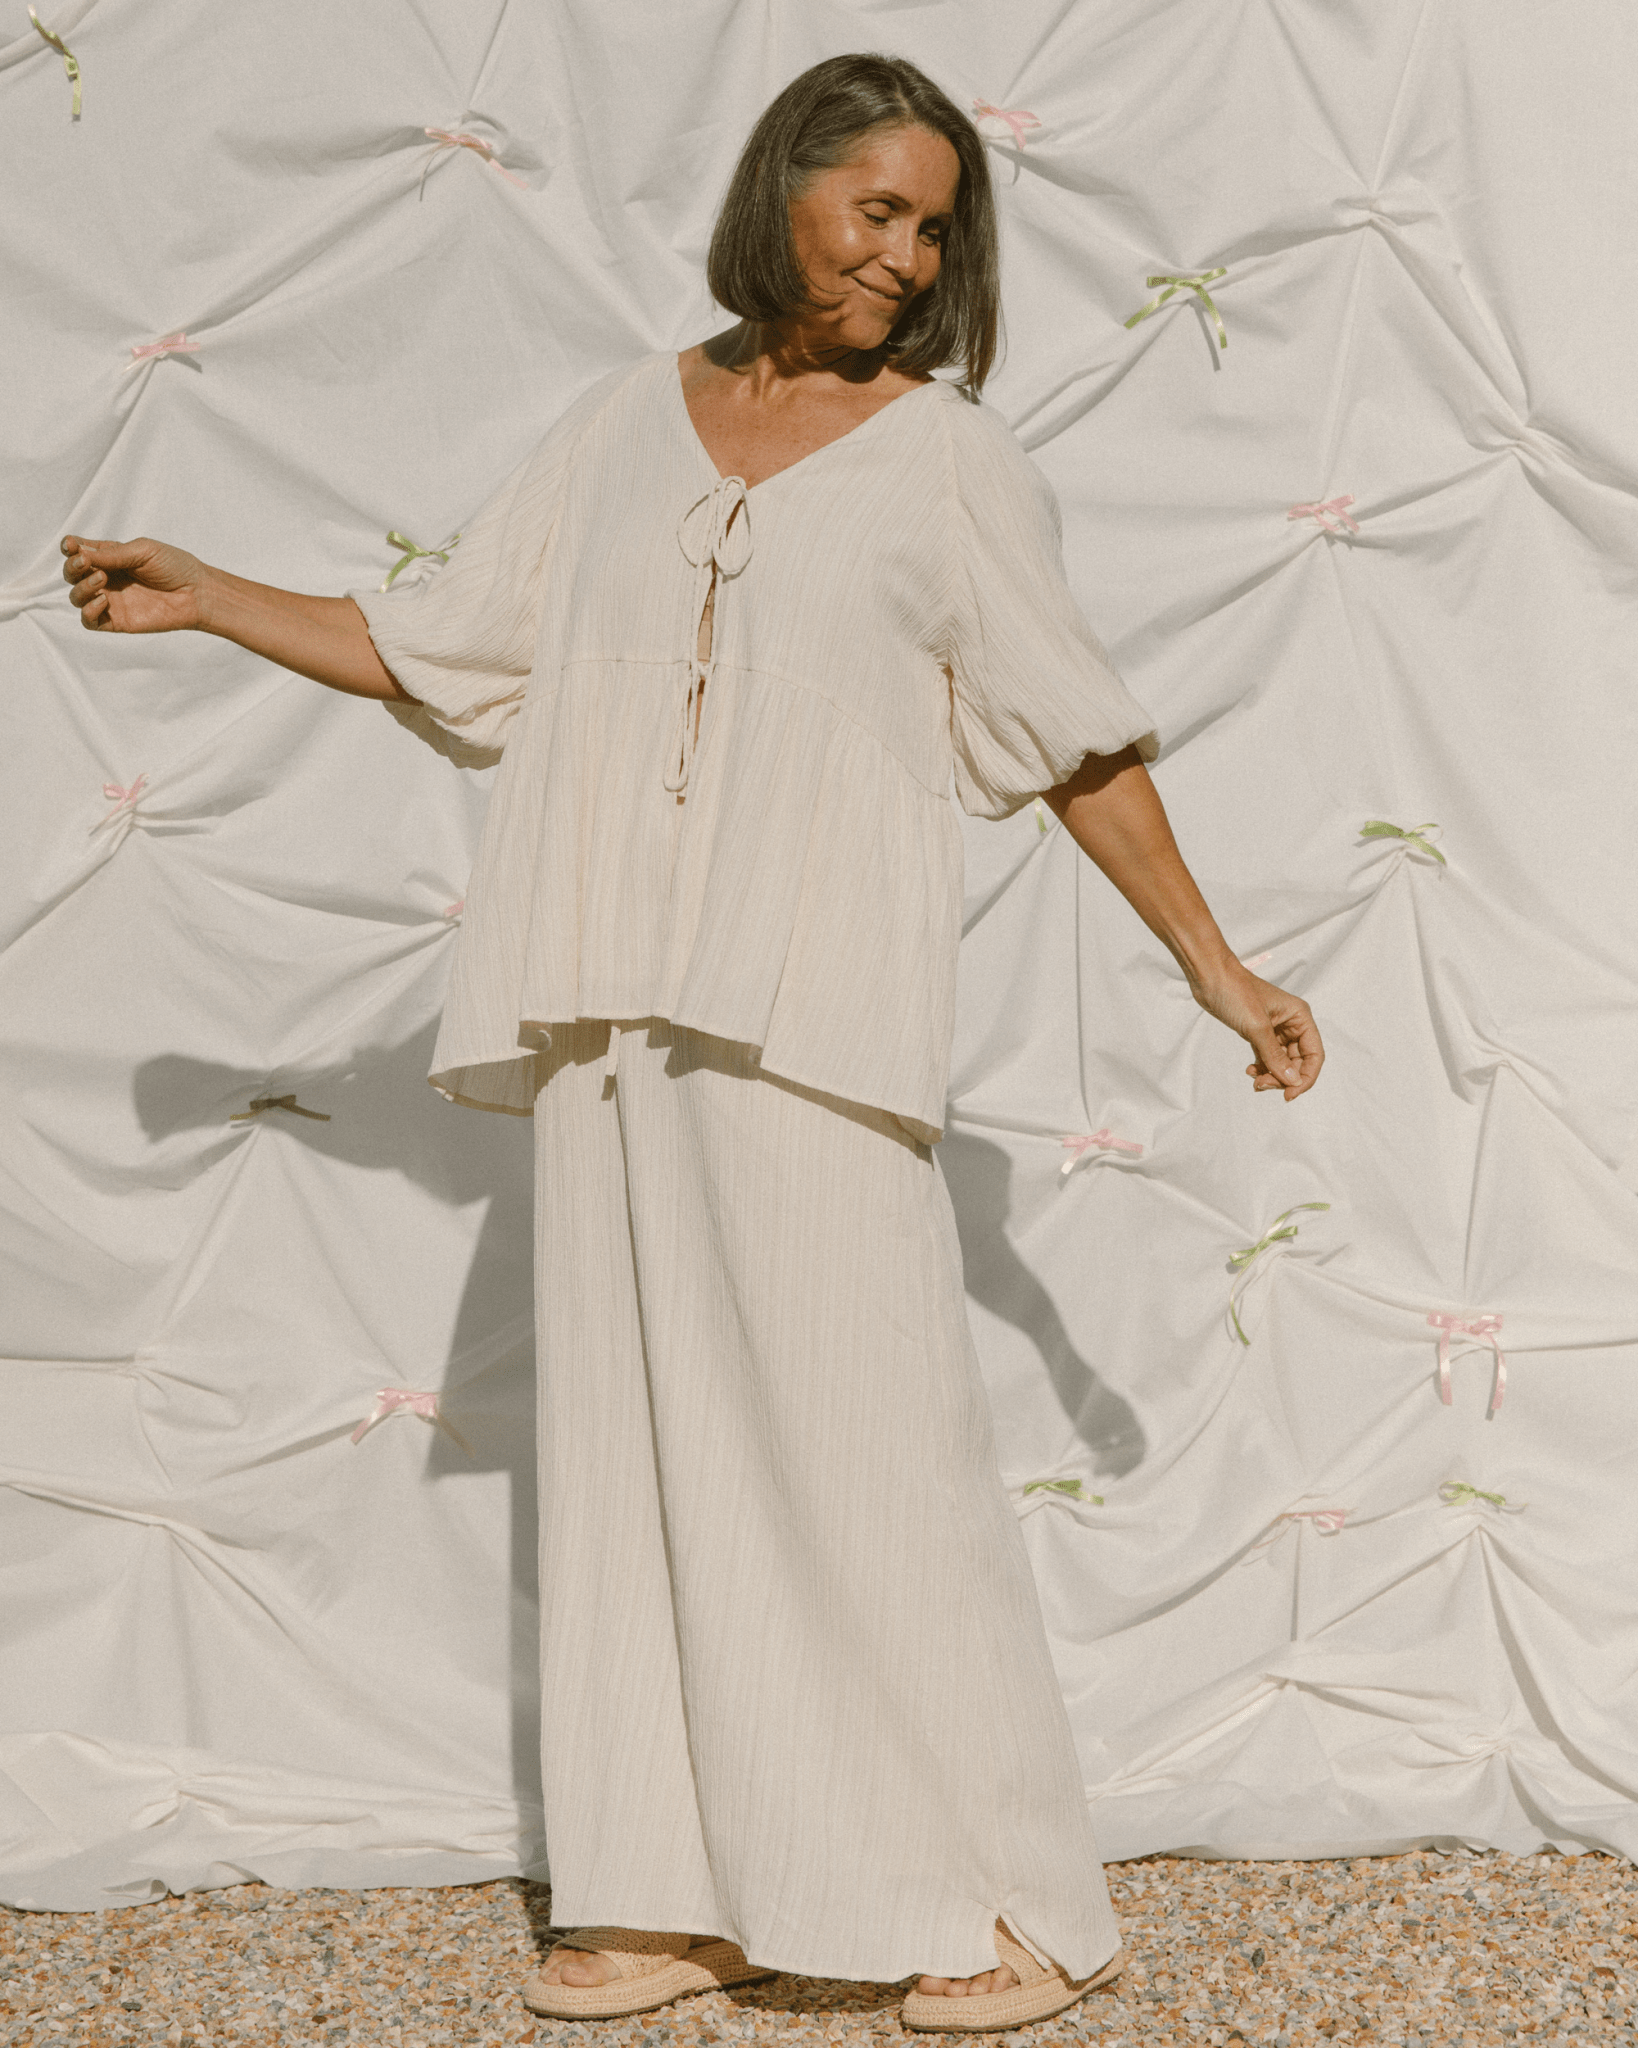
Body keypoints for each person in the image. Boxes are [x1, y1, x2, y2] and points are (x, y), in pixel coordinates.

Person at [60, 51, 1322, 2035]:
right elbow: (453, 649)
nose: (904, 258)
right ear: (782, 191)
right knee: (636, 1459)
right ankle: (671, 1892)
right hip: (613, 1017)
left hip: (815, 1021)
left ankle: (995, 1894)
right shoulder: (617, 429)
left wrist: (1213, 965)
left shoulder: (949, 462)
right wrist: (210, 597)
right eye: (875, 210)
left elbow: (1079, 734)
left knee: (868, 1459)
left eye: (934, 226)